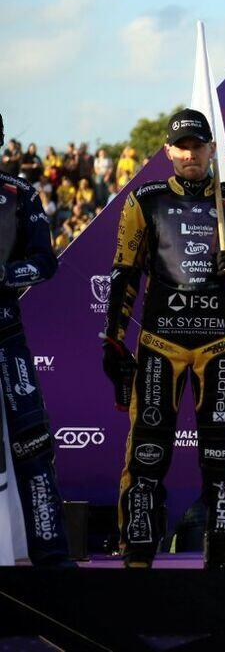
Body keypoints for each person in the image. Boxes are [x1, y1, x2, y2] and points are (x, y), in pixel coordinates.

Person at [101, 109, 225, 567]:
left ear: (212, 149)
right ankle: (138, 555)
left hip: (219, 346)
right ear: (168, 152)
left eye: (198, 147)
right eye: (182, 148)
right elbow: (124, 273)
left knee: (223, 458)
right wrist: (113, 340)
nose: (190, 155)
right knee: (146, 454)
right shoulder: (145, 200)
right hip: (160, 344)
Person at [0, 114, 73, 566]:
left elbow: (46, 262)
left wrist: (5, 274)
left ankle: (52, 558)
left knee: (32, 444)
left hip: (5, 333)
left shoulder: (18, 193)